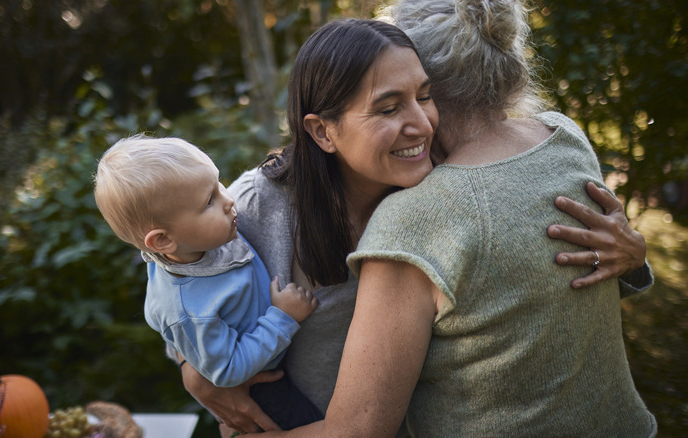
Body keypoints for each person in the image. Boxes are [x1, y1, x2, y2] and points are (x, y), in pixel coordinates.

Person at [179, 15, 654, 436]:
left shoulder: (431, 188)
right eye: (388, 108)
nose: (422, 124)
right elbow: (181, 281)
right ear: (322, 131)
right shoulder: (254, 208)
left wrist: (631, 257)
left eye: (425, 96)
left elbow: (532, 284)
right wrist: (191, 364)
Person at [92, 135, 322, 430]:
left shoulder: (197, 244)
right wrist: (282, 317)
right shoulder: (190, 309)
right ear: (163, 240)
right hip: (262, 388)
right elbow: (226, 370)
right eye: (209, 201)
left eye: (218, 184)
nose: (228, 201)